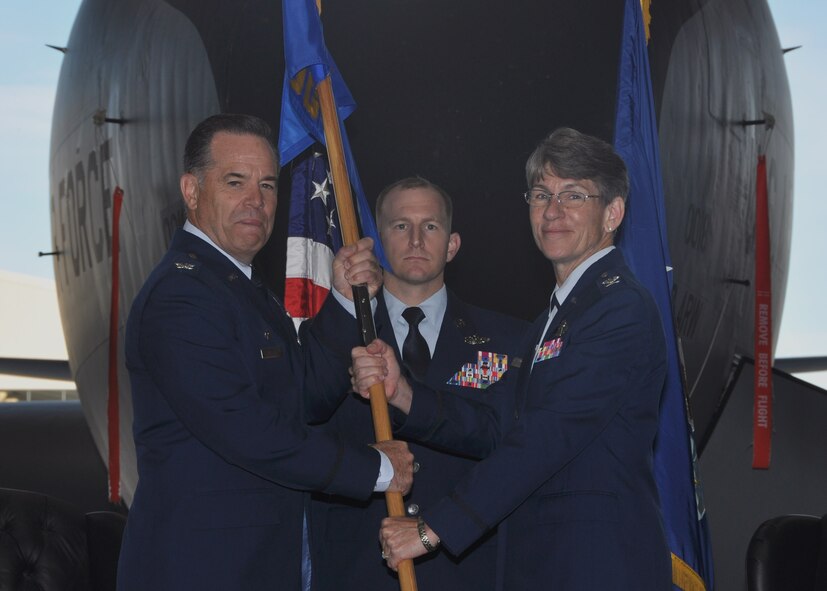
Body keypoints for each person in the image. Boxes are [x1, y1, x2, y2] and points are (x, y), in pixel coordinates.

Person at [352, 129, 672, 589]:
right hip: (543, 563)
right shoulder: (549, 320)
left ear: (613, 213)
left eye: (573, 195)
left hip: (597, 565)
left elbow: (549, 434)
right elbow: (498, 426)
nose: (553, 210)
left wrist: (432, 528)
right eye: (541, 194)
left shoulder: (619, 309)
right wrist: (404, 394)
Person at [116, 113, 414, 591]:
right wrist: (375, 469)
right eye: (235, 182)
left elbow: (301, 398)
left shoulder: (239, 288)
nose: (256, 201)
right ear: (191, 191)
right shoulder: (181, 296)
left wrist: (340, 300)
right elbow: (248, 430)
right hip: (202, 571)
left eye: (268, 185)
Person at [310, 177, 528, 590]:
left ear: (452, 244)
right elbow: (305, 428)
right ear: (377, 239)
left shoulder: (508, 340)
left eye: (430, 226)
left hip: (466, 569)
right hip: (358, 569)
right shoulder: (337, 334)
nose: (415, 240)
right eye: (399, 226)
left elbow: (508, 445)